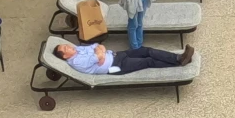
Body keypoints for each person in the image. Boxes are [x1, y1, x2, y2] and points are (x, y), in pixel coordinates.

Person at [56, 39, 192, 75]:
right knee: (148, 61)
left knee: (146, 50)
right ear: (65, 56)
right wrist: (99, 53)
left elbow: (98, 46)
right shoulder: (76, 61)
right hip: (116, 67)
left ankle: (178, 58)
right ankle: (179, 62)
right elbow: (96, 56)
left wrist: (100, 51)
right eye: (65, 48)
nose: (68, 47)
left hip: (116, 54)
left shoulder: (77, 49)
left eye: (66, 45)